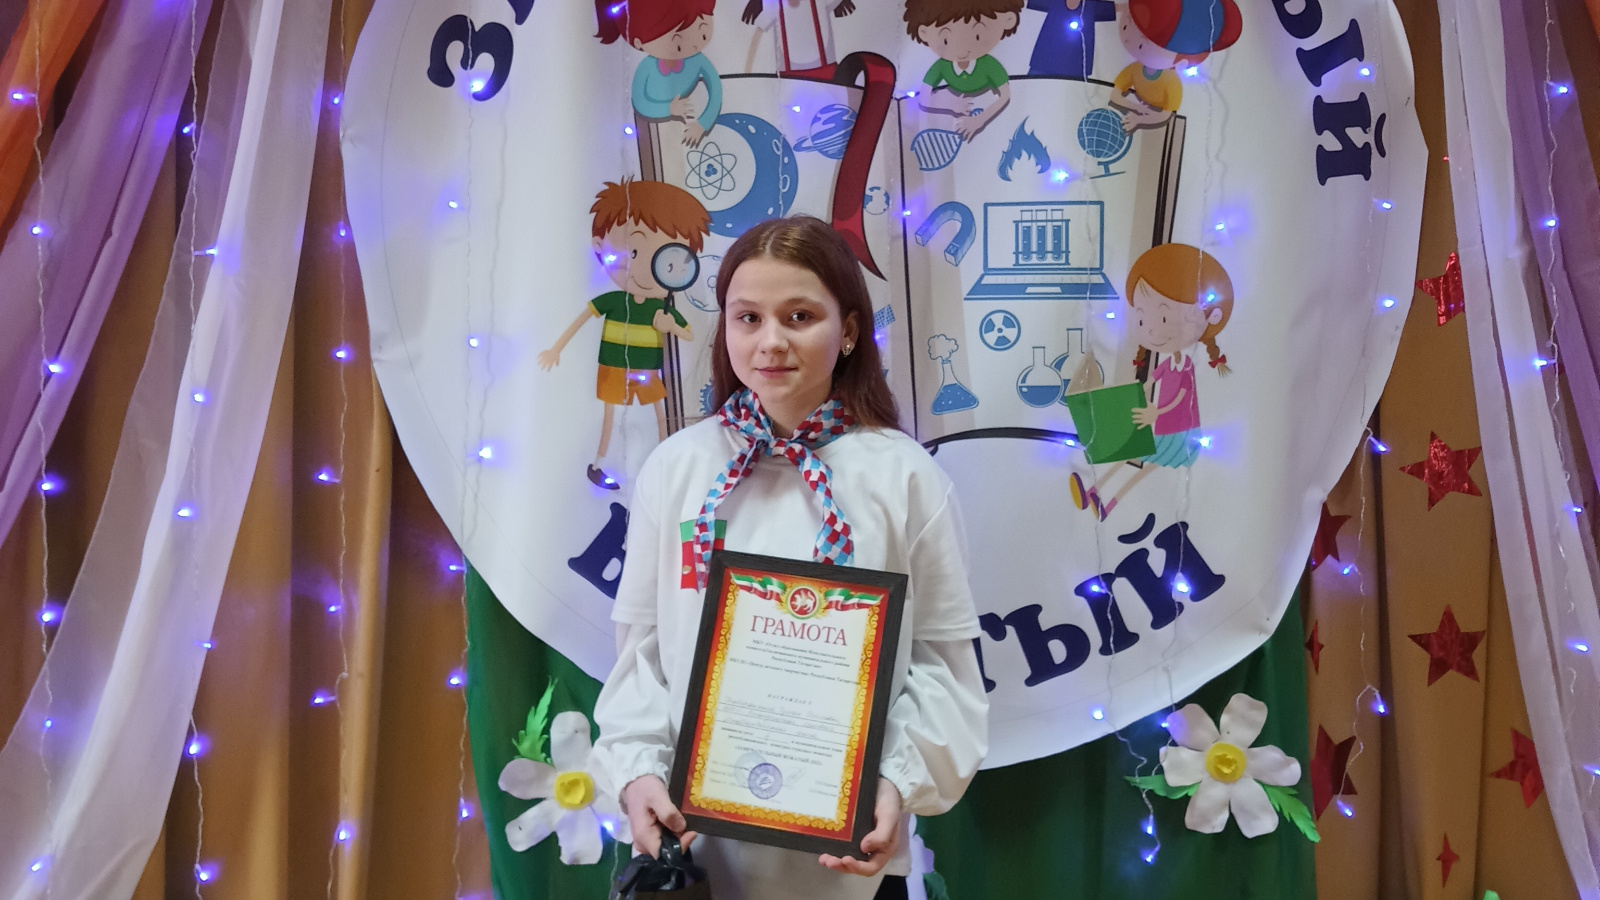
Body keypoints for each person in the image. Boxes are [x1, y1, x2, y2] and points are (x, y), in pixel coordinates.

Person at [591, 216, 988, 899]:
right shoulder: (677, 469)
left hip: (852, 863)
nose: (770, 341)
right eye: (748, 318)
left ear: (850, 330)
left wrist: (894, 783)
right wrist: (636, 775)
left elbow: (943, 670)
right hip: (696, 857)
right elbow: (641, 658)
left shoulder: (905, 477)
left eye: (799, 316)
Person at [538, 179, 712, 490]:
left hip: (648, 370)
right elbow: (582, 320)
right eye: (633, 251)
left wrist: (670, 326)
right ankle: (599, 465)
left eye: (666, 260)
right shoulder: (615, 301)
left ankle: (665, 463)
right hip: (613, 367)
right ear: (599, 246)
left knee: (660, 414)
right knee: (610, 416)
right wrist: (556, 349)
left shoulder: (660, 307)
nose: (645, 269)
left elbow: (686, 333)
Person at [1070, 242, 1235, 519]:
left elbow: (1181, 398)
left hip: (1180, 435)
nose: (1151, 331)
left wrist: (1155, 411)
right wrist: (1128, 400)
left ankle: (1105, 502)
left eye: (1164, 317)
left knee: (1139, 462)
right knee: (1133, 456)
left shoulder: (1185, 368)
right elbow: (1149, 384)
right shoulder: (1168, 363)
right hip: (1162, 426)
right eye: (1142, 319)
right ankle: (1094, 493)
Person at [597, 0, 725, 146]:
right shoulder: (646, 68)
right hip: (650, 134)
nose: (694, 45)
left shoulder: (697, 61)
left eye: (703, 34)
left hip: (693, 129)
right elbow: (640, 102)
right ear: (639, 43)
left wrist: (703, 124)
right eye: (677, 45)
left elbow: (716, 89)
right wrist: (669, 109)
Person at [904, 0, 1025, 140]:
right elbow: (924, 96)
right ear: (923, 33)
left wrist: (979, 120)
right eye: (945, 40)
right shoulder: (942, 66)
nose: (961, 51)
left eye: (978, 36)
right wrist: (950, 104)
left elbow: (1005, 96)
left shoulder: (989, 65)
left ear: (1008, 20)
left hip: (992, 122)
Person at [741, 0, 858, 77]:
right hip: (790, 76)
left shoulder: (818, 2)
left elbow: (757, 36)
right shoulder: (776, 6)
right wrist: (747, 75)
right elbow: (758, 34)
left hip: (826, 72)